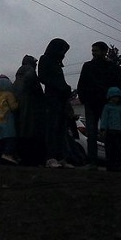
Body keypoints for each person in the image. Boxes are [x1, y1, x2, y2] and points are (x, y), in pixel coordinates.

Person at [77, 41, 121, 169]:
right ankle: (94, 162)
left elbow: (118, 84)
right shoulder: (89, 66)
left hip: (105, 104)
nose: (93, 53)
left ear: (104, 51)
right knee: (93, 134)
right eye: (93, 50)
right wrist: (84, 98)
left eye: (96, 50)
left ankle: (110, 162)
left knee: (107, 133)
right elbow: (81, 84)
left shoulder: (110, 67)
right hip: (92, 103)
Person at [38, 38, 73, 168]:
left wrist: (65, 88)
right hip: (52, 99)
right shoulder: (45, 59)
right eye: (63, 50)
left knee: (61, 129)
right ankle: (50, 158)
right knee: (52, 129)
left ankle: (61, 157)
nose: (64, 54)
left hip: (61, 100)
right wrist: (60, 86)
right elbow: (42, 77)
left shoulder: (57, 63)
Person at [14, 55, 46, 167]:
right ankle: (33, 160)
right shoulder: (30, 72)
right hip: (32, 110)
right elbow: (38, 92)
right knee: (32, 134)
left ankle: (23, 158)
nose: (36, 65)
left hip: (19, 110)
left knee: (22, 134)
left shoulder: (18, 76)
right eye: (35, 63)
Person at [0, 75, 20, 164]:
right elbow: (13, 107)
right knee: (10, 138)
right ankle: (7, 154)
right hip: (7, 121)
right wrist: (19, 103)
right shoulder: (9, 95)